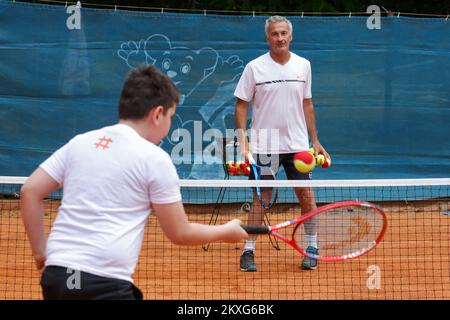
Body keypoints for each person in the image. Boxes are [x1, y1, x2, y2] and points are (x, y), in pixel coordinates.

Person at [21, 65, 248, 300]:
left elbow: (30, 191)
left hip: (57, 277)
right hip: (101, 284)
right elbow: (180, 233)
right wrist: (225, 231)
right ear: (157, 114)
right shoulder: (155, 159)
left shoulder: (80, 142)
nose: (169, 123)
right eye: (170, 117)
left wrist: (41, 253)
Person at [234, 16, 330, 272]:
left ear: (291, 36)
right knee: (260, 198)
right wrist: (244, 141)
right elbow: (241, 104)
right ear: (268, 38)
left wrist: (315, 140)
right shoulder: (255, 67)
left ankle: (312, 248)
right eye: (275, 34)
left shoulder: (304, 66)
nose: (280, 38)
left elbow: (307, 104)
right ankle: (248, 251)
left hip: (298, 146)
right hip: (264, 145)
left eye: (284, 33)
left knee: (306, 196)